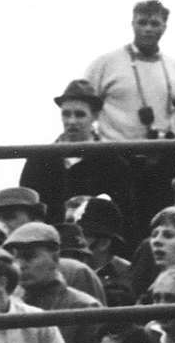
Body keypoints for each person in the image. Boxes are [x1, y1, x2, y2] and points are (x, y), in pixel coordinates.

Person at [23, 79, 138, 236]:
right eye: (66, 114)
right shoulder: (39, 159)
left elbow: (125, 214)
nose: (71, 121)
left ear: (95, 116)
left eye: (80, 114)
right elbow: (27, 210)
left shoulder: (113, 161)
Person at [82, 0, 175, 146]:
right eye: (142, 23)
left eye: (154, 24)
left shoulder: (173, 67)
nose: (148, 29)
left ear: (164, 27)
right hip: (116, 155)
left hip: (164, 154)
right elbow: (82, 107)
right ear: (133, 24)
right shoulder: (105, 64)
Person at [6, 221, 102, 343]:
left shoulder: (83, 306)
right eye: (15, 258)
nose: (20, 265)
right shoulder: (10, 306)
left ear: (55, 258)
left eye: (29, 257)